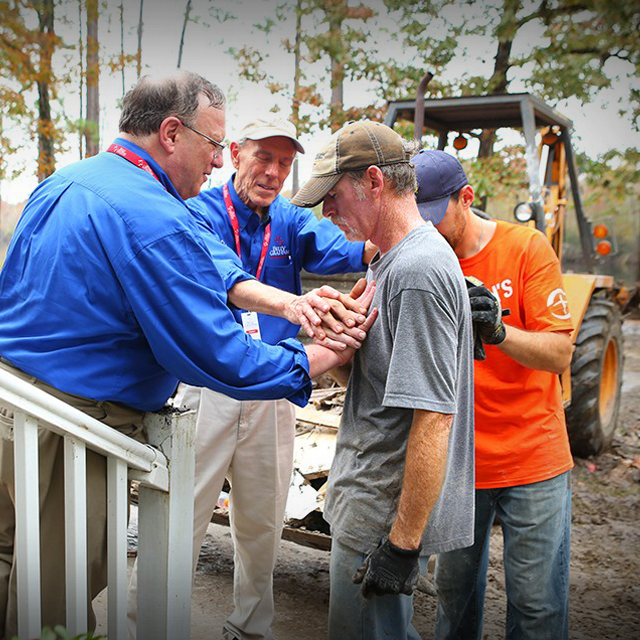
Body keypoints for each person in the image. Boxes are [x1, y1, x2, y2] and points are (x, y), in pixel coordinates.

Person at [0, 71, 374, 640]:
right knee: (57, 593)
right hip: (64, 423)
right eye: (214, 145)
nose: (216, 162)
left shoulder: (68, 181)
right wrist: (317, 355)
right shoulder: (156, 216)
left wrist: (287, 306)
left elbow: (206, 267)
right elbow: (219, 358)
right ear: (171, 133)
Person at [131, 115, 377, 640]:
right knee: (183, 511)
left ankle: (250, 628)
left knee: (263, 518)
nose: (273, 172)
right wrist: (294, 306)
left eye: (285, 163)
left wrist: (406, 238)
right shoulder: (196, 212)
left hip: (273, 381)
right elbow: (224, 276)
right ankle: (145, 621)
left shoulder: (289, 219)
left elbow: (351, 248)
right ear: (236, 153)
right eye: (264, 157)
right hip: (208, 382)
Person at [290, 122, 476, 640]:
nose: (327, 211)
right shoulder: (385, 261)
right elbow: (373, 381)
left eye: (333, 195)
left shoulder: (417, 269)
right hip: (365, 500)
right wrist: (339, 344)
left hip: (380, 515)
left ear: (374, 181)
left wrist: (401, 546)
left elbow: (435, 418)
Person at [412, 149, 575, 640]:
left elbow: (559, 352)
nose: (429, 230)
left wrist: (500, 332)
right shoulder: (423, 257)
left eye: (436, 218)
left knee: (537, 606)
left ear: (467, 198)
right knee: (454, 602)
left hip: (533, 459)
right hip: (460, 463)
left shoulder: (527, 248)